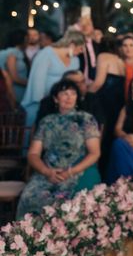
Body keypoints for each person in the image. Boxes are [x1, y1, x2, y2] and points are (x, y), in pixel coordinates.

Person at [16, 79, 101, 218]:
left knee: (63, 204)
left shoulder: (86, 119)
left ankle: (59, 239)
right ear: (56, 98)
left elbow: (94, 153)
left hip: (76, 170)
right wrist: (46, 171)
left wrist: (70, 172)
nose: (69, 97)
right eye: (64, 93)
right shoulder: (46, 121)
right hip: (47, 172)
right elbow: (33, 153)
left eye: (73, 93)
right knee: (29, 198)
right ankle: (28, 238)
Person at [21, 29, 85, 127]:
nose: (82, 52)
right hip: (42, 103)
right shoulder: (46, 54)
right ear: (72, 45)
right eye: (81, 48)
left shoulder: (75, 60)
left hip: (64, 104)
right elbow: (37, 82)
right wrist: (43, 105)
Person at [88, 37, 126, 175]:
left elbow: (98, 82)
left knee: (99, 136)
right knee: (110, 137)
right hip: (118, 102)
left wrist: (84, 96)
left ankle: (96, 172)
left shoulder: (103, 56)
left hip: (104, 101)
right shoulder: (122, 60)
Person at [0, 29, 29, 103]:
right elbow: (14, 77)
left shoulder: (11, 52)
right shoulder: (13, 53)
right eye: (27, 39)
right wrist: (31, 83)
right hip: (15, 90)